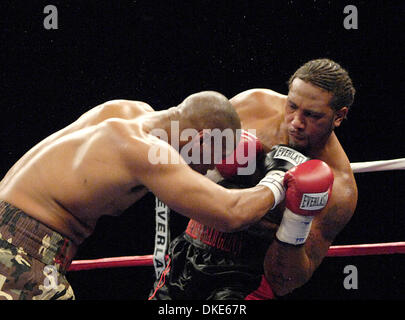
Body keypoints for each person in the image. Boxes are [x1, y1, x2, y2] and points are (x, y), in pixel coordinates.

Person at [0, 90, 304, 300]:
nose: (211, 169)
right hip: (20, 256)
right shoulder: (146, 152)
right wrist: (280, 178)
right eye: (212, 159)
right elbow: (230, 214)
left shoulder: (125, 110)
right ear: (201, 139)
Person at [149, 58, 358, 300]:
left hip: (248, 280)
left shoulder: (340, 188)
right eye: (291, 106)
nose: (296, 122)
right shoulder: (253, 106)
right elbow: (173, 153)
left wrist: (296, 218)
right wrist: (213, 160)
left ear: (339, 116)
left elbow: (285, 282)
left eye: (312, 115)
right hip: (188, 251)